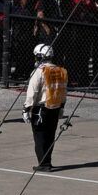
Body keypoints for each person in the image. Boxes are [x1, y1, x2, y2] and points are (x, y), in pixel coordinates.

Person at [24, 42, 67, 171]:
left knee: (39, 136)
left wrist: (26, 108)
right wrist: (61, 107)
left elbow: (33, 92)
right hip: (55, 107)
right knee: (50, 136)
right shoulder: (60, 71)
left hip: (41, 109)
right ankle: (47, 161)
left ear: (40, 56)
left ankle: (43, 164)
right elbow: (63, 91)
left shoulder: (39, 72)